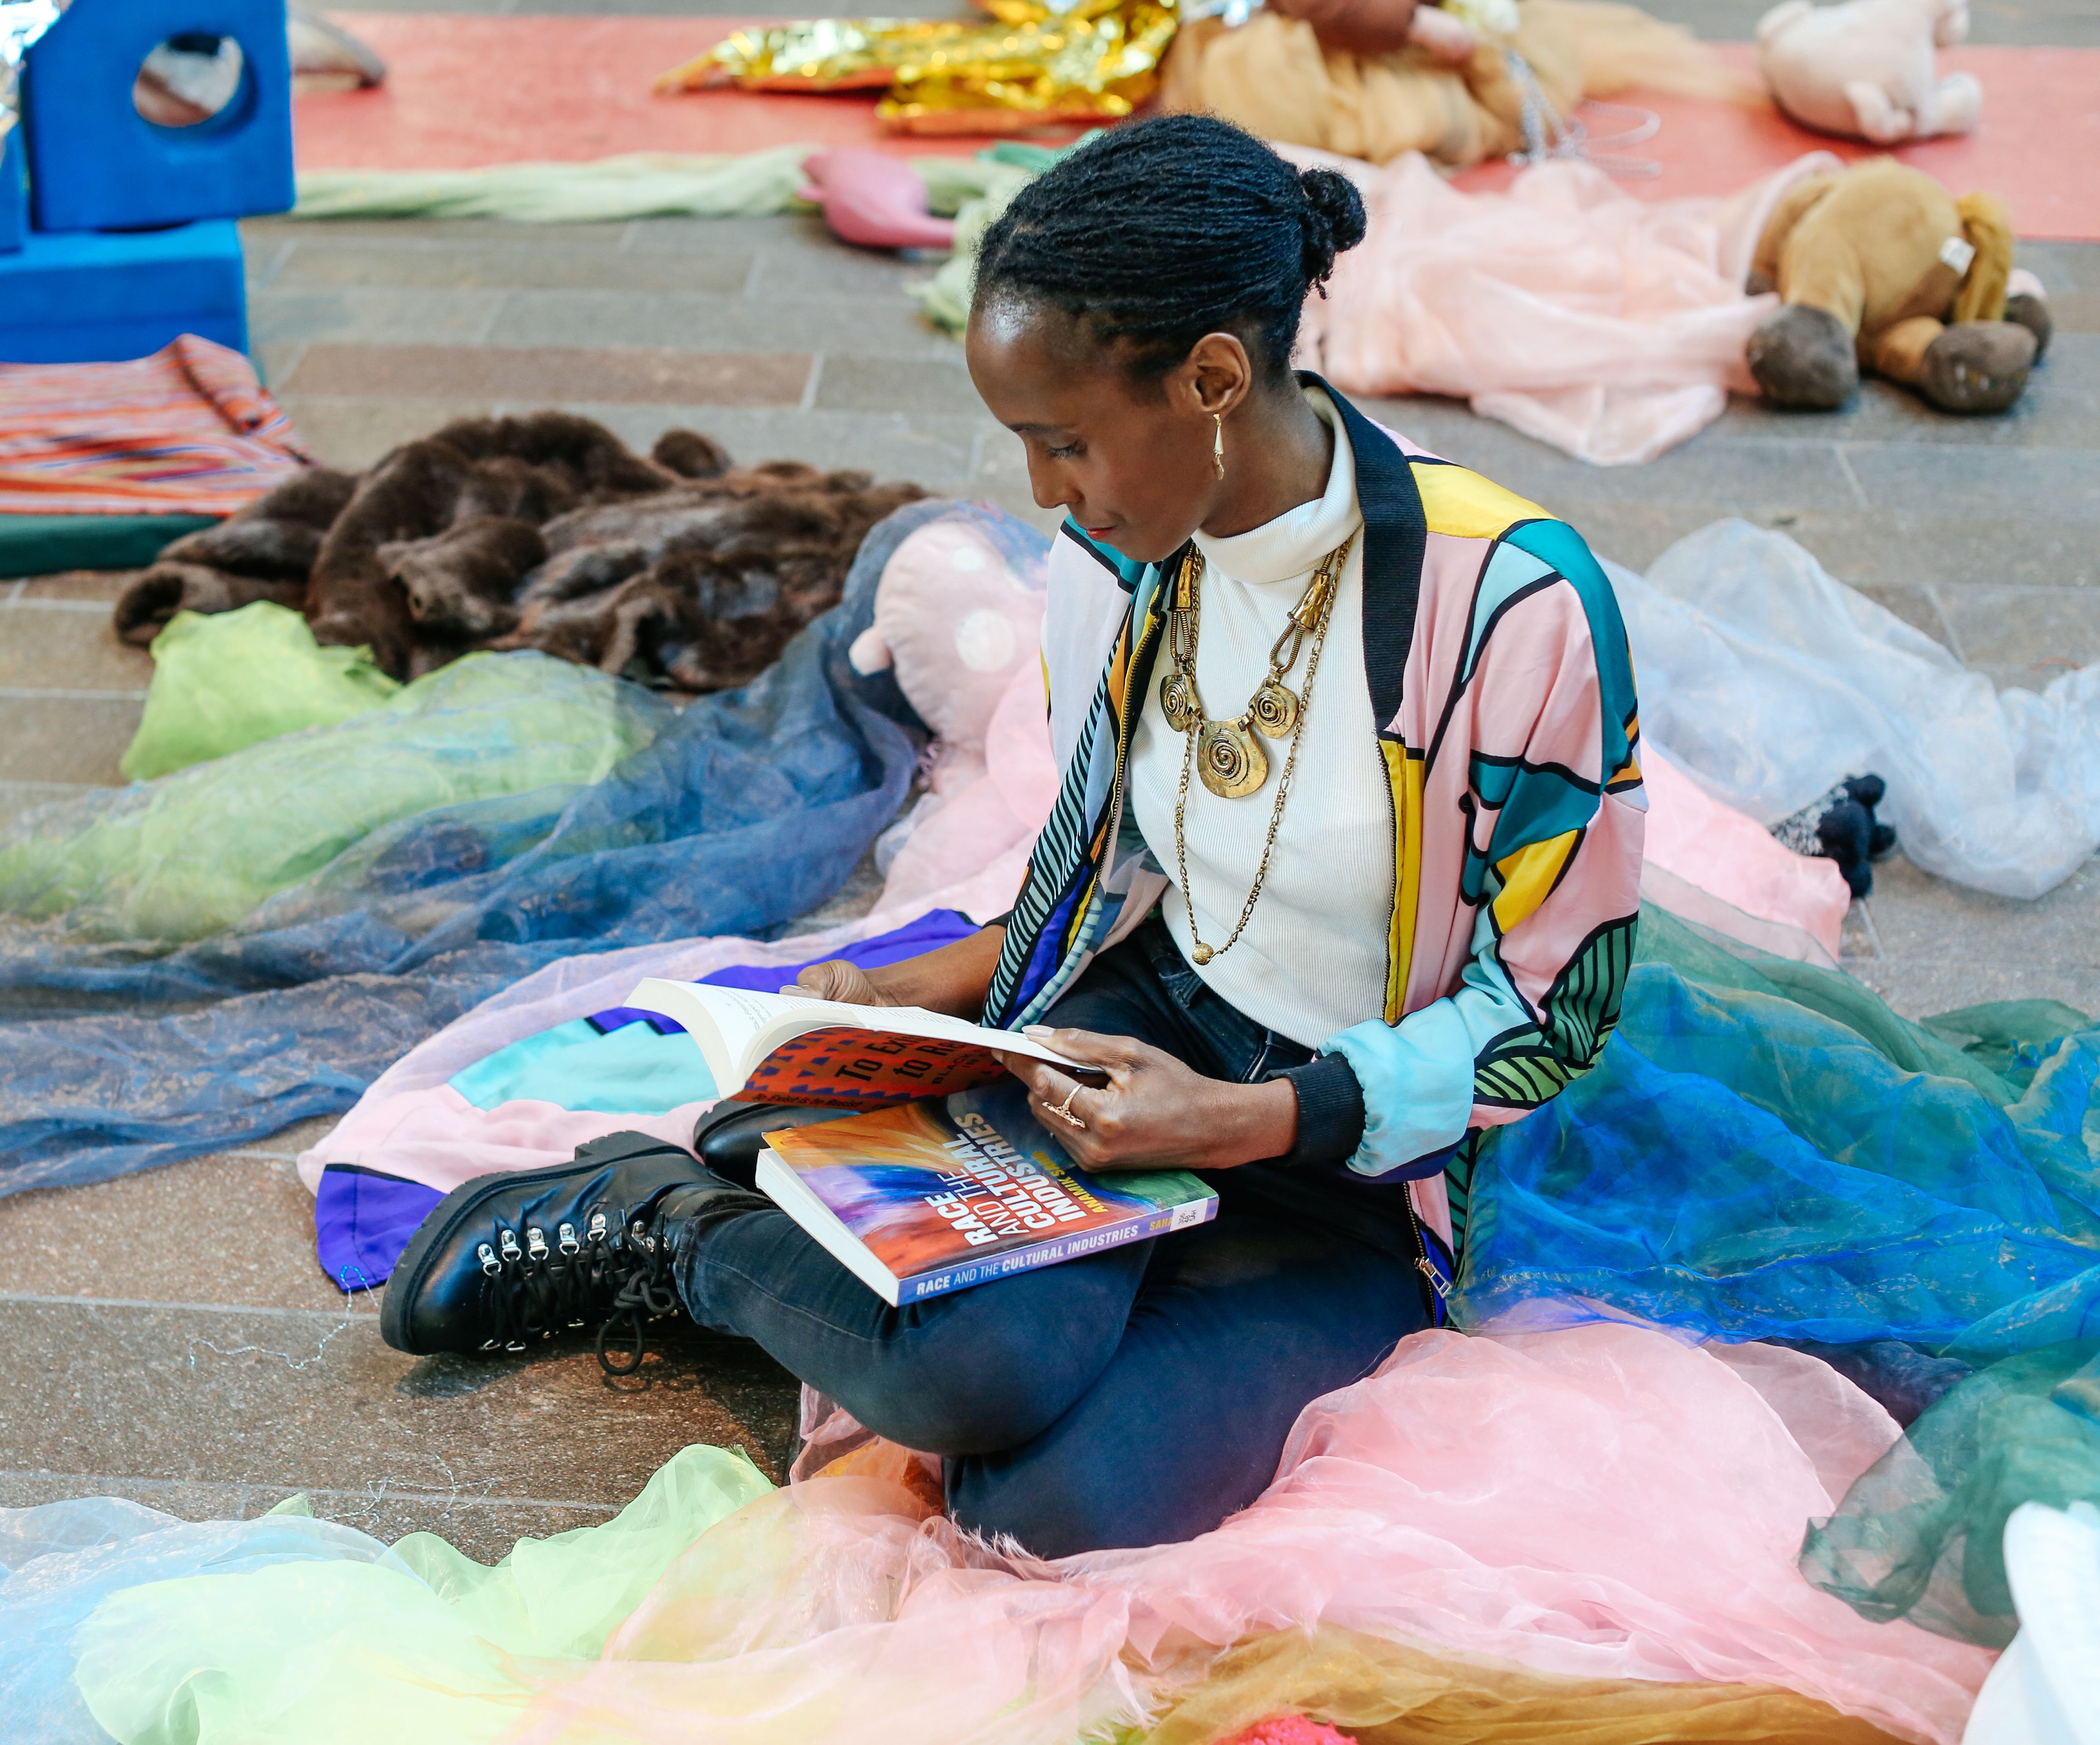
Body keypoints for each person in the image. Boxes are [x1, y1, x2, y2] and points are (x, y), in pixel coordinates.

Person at [379, 115, 1646, 1557]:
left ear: (1215, 380)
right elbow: (1089, 884)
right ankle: (678, 1229)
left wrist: (1252, 1121)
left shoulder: (1510, 605)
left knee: (1047, 1512)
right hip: (1118, 1047)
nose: (1046, 496)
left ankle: (920, 1272)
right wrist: (895, 1003)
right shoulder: (1115, 566)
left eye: (1065, 441)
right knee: (967, 1374)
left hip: (1351, 1163)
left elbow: (1558, 1013)